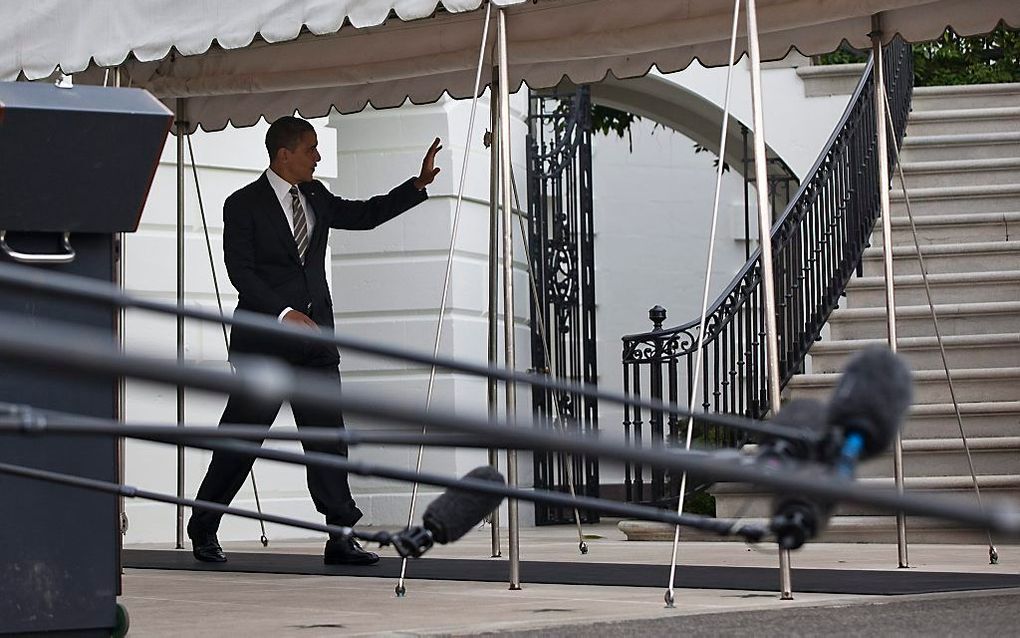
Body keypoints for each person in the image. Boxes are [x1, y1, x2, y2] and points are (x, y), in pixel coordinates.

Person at [187, 116, 441, 565]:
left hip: (316, 344)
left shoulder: (317, 195)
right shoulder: (241, 204)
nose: (318, 156)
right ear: (284, 154)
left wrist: (416, 186)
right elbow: (240, 271)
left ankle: (340, 537)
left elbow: (363, 215)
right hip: (265, 344)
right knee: (242, 439)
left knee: (328, 441)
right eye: (311, 149)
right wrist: (283, 314)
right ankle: (204, 524)